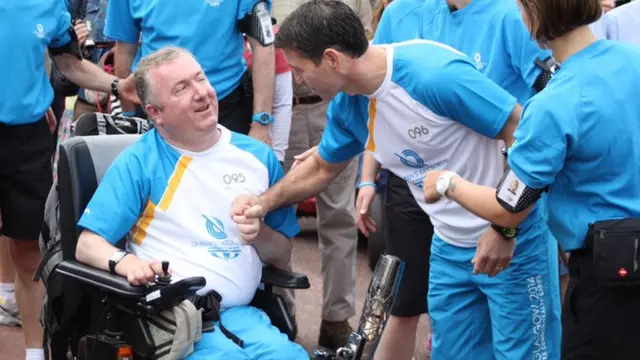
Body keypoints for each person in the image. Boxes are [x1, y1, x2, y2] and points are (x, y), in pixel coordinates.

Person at [231, 1, 560, 359]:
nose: (297, 80)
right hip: (449, 248)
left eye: (300, 69)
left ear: (332, 60)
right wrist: (262, 203)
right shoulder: (350, 105)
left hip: (514, 243)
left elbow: (527, 135)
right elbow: (322, 167)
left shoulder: (432, 74)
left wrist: (504, 228)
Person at [421, 0, 640, 358]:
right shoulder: (633, 60)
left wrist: (448, 183)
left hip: (608, 273)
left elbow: (509, 207)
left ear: (536, 14)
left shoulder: (553, 104)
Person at [356, 0, 562, 358]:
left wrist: (504, 227)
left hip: (511, 215)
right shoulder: (402, 14)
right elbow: (377, 103)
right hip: (442, 216)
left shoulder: (512, 15)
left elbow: (548, 113)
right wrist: (366, 177)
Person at [74, 46, 307, 360]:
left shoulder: (257, 157)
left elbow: (282, 251)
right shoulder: (140, 161)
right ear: (155, 112)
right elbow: (87, 245)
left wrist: (259, 232)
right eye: (182, 88)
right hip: (171, 318)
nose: (202, 93)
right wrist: (128, 264)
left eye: (201, 79)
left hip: (241, 316)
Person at [0, 2, 138, 359]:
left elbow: (70, 64)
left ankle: (33, 353)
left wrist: (118, 85)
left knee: (30, 255)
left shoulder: (48, 6)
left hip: (25, 140)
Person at [271, 0, 373, 349]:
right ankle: (279, 312)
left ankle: (336, 318)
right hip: (281, 109)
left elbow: (363, 48)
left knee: (339, 217)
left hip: (334, 106)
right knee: (276, 213)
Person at [105, 0, 276, 144]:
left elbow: (263, 44)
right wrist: (128, 117)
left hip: (225, 107)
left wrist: (261, 122)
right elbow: (125, 48)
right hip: (159, 112)